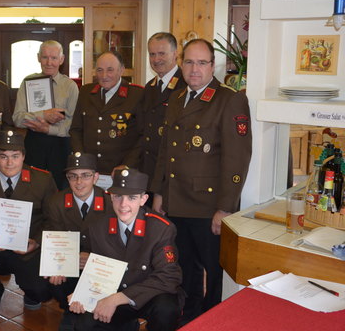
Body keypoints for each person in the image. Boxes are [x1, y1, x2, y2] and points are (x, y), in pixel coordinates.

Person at [151, 38, 252, 324]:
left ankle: (213, 321)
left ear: (213, 65)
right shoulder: (176, 97)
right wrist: (159, 192)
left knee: (214, 270)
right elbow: (165, 151)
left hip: (208, 206)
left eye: (202, 63)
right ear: (181, 64)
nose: (195, 69)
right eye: (189, 62)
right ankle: (189, 318)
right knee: (183, 268)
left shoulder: (229, 99)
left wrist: (225, 207)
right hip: (176, 201)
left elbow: (237, 158)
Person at [69, 169, 183, 331]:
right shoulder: (97, 227)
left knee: (167, 309)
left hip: (148, 295)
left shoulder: (161, 229)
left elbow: (169, 277)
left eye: (132, 198)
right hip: (113, 293)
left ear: (143, 199)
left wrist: (118, 298)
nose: (123, 205)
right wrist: (83, 296)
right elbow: (97, 271)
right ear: (110, 196)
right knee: (84, 325)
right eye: (118, 196)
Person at [0, 130, 57, 317]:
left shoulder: (43, 180)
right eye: (4, 157)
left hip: (27, 250)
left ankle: (32, 294)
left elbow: (53, 219)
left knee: (42, 288)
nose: (10, 163)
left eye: (15, 156)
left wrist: (36, 242)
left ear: (24, 156)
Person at [44, 152, 113, 329]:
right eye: (73, 176)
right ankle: (69, 309)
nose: (79, 182)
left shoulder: (110, 203)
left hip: (100, 265)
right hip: (72, 264)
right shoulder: (57, 202)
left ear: (96, 177)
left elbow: (114, 246)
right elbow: (57, 239)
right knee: (51, 276)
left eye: (85, 176)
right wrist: (58, 264)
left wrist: (91, 257)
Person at [69, 51, 144, 188]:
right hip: (89, 171)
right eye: (99, 70)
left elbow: (143, 136)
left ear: (121, 70)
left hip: (122, 172)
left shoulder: (136, 95)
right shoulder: (86, 92)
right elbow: (76, 130)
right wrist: (82, 161)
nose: (104, 76)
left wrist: (127, 164)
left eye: (110, 70)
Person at [13, 40, 79, 190]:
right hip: (34, 145)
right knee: (32, 189)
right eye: (45, 57)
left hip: (60, 147)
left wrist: (49, 129)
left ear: (62, 60)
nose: (49, 62)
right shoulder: (28, 82)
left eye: (54, 58)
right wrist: (43, 114)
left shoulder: (70, 86)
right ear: (38, 57)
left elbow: (73, 125)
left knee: (58, 192)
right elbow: (17, 118)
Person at [131, 32, 186, 189]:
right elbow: (143, 131)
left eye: (162, 53)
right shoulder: (150, 87)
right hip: (149, 171)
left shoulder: (185, 86)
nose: (156, 59)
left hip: (172, 174)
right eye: (152, 54)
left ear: (175, 54)